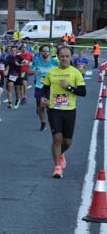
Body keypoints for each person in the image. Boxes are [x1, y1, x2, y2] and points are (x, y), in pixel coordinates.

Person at [40, 45, 86, 179]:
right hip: (54, 109)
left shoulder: (76, 73)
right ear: (58, 57)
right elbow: (45, 88)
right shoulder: (52, 72)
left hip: (69, 110)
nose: (64, 58)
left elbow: (83, 92)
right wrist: (44, 98)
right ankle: (57, 168)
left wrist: (69, 87)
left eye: (67, 56)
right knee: (57, 138)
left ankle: (60, 153)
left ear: (71, 57)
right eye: (62, 56)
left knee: (67, 142)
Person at [30, 45, 58, 131]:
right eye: (43, 51)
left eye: (47, 51)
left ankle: (52, 122)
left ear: (49, 52)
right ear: (40, 52)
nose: (45, 52)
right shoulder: (37, 62)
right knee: (41, 107)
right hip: (39, 86)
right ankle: (43, 122)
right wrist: (34, 72)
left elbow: (62, 71)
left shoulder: (55, 62)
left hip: (51, 87)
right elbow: (29, 71)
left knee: (49, 106)